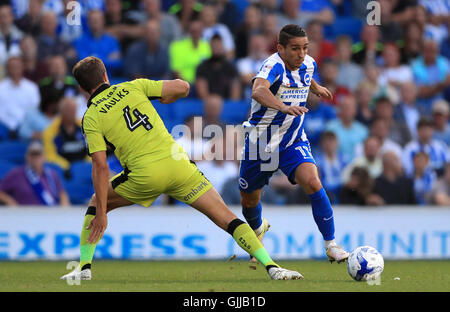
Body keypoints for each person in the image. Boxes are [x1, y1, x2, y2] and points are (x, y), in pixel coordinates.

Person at [61, 56, 301, 281]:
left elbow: (101, 166)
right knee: (227, 219)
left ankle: (84, 268)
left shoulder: (90, 117)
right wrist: (166, 98)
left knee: (95, 202)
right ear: (105, 76)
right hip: (179, 165)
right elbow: (183, 87)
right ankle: (273, 267)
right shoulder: (133, 87)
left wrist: (102, 211)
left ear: (83, 89)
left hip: (145, 175)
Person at [238, 24, 349, 266]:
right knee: (249, 202)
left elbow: (305, 78)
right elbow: (258, 91)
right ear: (281, 48)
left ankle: (331, 244)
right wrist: (284, 107)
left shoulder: (309, 63)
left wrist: (317, 88)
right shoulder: (273, 65)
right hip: (261, 143)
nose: (301, 53)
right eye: (295, 48)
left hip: (292, 139)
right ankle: (258, 229)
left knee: (312, 180)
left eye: (305, 48)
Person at [0, 141, 70, 206]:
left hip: (49, 214)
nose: (35, 158)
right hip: (24, 215)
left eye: (38, 155)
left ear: (44, 157)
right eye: (32, 155)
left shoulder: (52, 174)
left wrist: (64, 207)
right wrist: (9, 201)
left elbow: (62, 193)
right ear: (27, 156)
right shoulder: (16, 174)